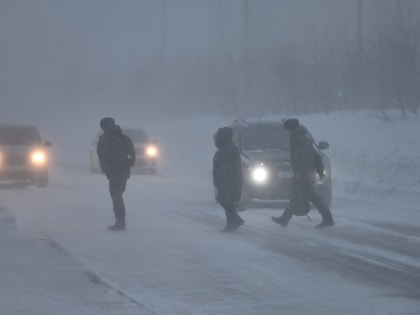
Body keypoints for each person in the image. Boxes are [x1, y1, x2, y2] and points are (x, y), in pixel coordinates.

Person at [271, 118, 334, 229]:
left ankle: (327, 218)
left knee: (300, 195)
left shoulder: (296, 139)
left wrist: (298, 173)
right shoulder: (305, 137)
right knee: (305, 196)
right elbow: (316, 156)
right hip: (309, 173)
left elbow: (298, 158)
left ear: (290, 129)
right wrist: (319, 171)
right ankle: (285, 219)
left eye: (287, 129)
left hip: (303, 173)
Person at [97, 117, 136, 231]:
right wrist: (124, 165)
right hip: (123, 173)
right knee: (118, 196)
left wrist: (107, 170)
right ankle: (120, 222)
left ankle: (120, 223)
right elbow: (132, 158)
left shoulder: (104, 139)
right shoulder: (125, 138)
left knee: (116, 197)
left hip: (113, 173)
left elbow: (102, 157)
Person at [213, 127, 245, 232]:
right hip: (226, 180)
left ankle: (232, 223)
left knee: (226, 201)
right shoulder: (226, 148)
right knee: (226, 201)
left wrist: (224, 178)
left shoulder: (229, 149)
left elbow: (227, 166)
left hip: (229, 180)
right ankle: (234, 221)